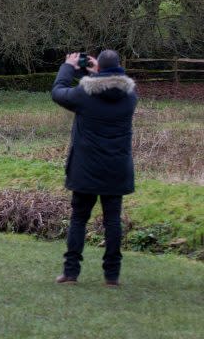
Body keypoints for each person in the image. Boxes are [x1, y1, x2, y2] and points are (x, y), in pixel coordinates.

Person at [51, 50, 137, 287]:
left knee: (79, 219)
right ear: (118, 68)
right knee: (112, 221)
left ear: (100, 68)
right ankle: (112, 276)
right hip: (116, 168)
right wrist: (100, 71)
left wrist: (68, 67)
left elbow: (58, 92)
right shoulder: (130, 96)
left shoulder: (83, 95)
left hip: (86, 168)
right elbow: (113, 84)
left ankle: (70, 273)